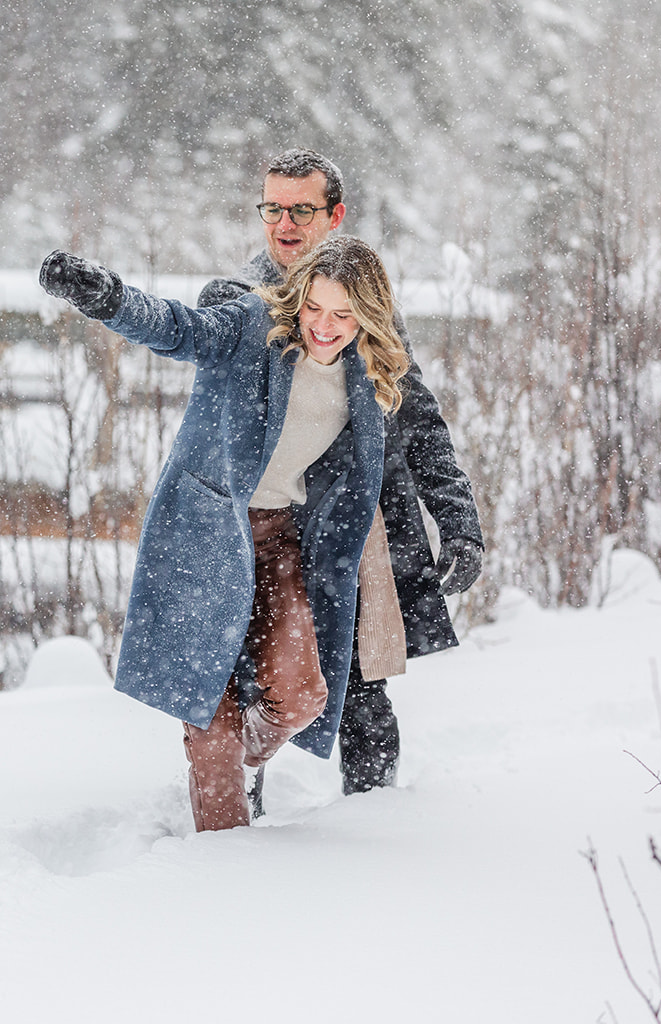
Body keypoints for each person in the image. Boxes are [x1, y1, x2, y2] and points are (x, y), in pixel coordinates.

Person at [39, 235, 408, 831]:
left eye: (343, 314)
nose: (324, 326)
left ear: (367, 315)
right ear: (298, 297)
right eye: (314, 307)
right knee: (211, 720)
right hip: (209, 536)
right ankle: (220, 857)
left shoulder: (367, 374)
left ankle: (238, 752)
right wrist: (106, 298)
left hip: (279, 539)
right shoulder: (252, 327)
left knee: (303, 694)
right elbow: (177, 327)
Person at [202, 148, 483, 800]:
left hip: (353, 538)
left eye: (302, 208)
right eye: (273, 208)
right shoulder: (240, 303)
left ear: (335, 216)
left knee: (362, 696)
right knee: (254, 686)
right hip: (267, 530)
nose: (285, 223)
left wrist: (459, 519)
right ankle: (229, 849)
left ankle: (374, 831)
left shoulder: (364, 302)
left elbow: (418, 419)